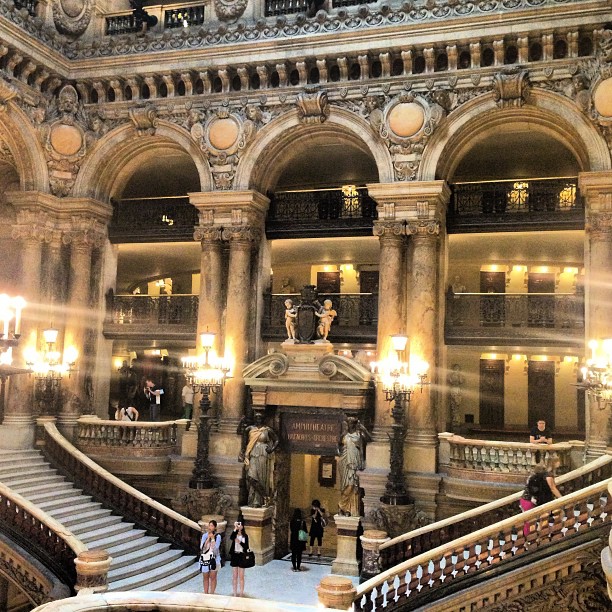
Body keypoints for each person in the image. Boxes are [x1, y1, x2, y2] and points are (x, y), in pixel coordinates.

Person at [239, 412, 279, 508]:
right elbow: (241, 437)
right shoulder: (249, 429)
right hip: (252, 453)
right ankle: (265, 496)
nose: (258, 420)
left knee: (261, 477)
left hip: (263, 454)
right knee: (250, 476)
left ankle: (258, 501)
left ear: (263, 419)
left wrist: (272, 449)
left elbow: (277, 440)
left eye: (260, 418)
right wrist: (241, 422)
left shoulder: (267, 430)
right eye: (256, 418)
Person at [519, 458, 562, 537]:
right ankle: (531, 538)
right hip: (531, 501)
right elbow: (552, 488)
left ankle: (532, 538)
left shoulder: (532, 477)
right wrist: (561, 498)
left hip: (527, 500)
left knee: (532, 521)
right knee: (531, 521)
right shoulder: (546, 477)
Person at [338, 416, 371, 516]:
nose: (350, 425)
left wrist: (364, 429)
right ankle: (345, 508)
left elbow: (369, 439)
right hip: (344, 462)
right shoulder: (344, 435)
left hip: (354, 463)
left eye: (352, 423)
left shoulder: (359, 435)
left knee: (352, 485)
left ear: (355, 424)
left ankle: (343, 506)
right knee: (345, 486)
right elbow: (338, 446)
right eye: (349, 423)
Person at [199, 520, 221, 594]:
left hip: (214, 559)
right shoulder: (204, 535)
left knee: (213, 577)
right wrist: (208, 539)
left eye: (211, 526)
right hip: (205, 558)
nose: (210, 527)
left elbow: (216, 549)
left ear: (215, 527)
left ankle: (212, 593)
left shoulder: (218, 536)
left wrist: (213, 539)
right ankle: (206, 593)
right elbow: (202, 547)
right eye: (209, 525)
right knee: (205, 577)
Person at [230, 519, 249, 597]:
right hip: (235, 555)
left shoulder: (245, 536)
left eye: (240, 525)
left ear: (243, 526)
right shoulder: (235, 534)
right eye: (238, 524)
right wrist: (235, 528)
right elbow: (231, 537)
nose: (239, 526)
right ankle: (234, 593)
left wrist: (240, 542)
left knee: (241, 576)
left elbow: (246, 547)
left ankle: (241, 593)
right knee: (234, 576)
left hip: (242, 556)